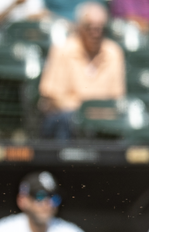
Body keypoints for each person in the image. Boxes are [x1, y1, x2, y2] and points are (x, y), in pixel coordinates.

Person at [38, 1, 126, 140]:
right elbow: (53, 97)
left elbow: (116, 98)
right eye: (90, 27)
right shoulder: (62, 50)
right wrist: (85, 111)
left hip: (103, 121)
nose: (95, 33)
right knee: (65, 120)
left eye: (100, 28)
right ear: (79, 27)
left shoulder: (114, 52)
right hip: (69, 119)